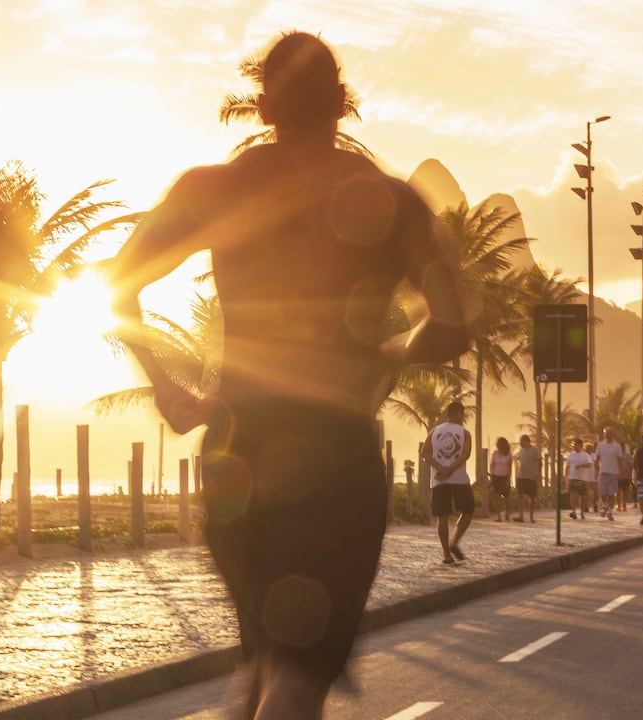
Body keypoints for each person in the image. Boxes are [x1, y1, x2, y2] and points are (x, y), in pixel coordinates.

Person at [107, 32, 477, 718]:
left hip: (234, 450)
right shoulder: (389, 200)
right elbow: (455, 322)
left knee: (268, 660)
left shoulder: (211, 190)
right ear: (343, 105)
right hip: (335, 454)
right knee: (298, 673)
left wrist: (163, 384)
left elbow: (117, 289)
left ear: (263, 107)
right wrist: (392, 355)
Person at [426, 401, 475, 564]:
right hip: (459, 478)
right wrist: (449, 470)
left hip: (439, 479)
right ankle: (454, 542)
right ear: (459, 413)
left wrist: (441, 468)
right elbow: (466, 454)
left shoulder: (434, 431)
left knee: (442, 516)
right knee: (468, 511)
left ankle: (446, 554)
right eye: (463, 414)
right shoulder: (465, 433)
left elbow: (425, 453)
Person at [595, 426, 625, 521]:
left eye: (609, 433)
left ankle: (610, 512)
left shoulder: (617, 446)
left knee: (612, 494)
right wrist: (596, 471)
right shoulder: (600, 445)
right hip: (603, 472)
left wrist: (621, 472)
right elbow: (597, 459)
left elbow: (620, 460)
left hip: (613, 473)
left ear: (612, 434)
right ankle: (604, 506)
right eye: (605, 433)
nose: (607, 435)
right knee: (603, 494)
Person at [513, 434, 541, 523]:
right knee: (520, 495)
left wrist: (537, 473)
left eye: (522, 442)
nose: (520, 444)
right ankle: (521, 516)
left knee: (532, 497)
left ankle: (531, 517)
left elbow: (539, 462)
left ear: (526, 441)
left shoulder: (535, 450)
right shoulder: (521, 451)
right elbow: (518, 461)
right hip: (521, 476)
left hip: (531, 477)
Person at [564, 438, 594, 520]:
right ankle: (573, 511)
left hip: (582, 479)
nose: (574, 447)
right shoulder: (571, 455)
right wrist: (565, 477)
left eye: (576, 445)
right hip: (572, 477)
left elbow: (589, 465)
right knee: (573, 495)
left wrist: (581, 465)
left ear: (580, 446)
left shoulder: (585, 455)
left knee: (582, 496)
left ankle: (582, 511)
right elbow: (567, 466)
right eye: (573, 445)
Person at [488, 436, 513, 522]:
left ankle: (507, 513)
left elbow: (510, 468)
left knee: (506, 498)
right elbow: (492, 465)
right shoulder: (495, 454)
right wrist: (491, 477)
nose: (498, 446)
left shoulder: (509, 454)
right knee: (496, 497)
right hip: (496, 476)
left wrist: (508, 480)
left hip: (505, 476)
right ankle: (498, 515)